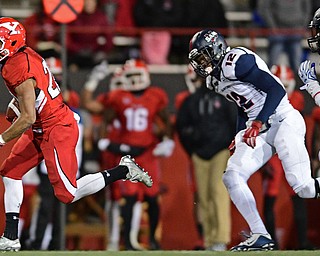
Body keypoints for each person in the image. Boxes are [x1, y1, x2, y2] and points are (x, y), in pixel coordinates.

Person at [0, 17, 152, 252]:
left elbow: (28, 116)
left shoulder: (16, 66)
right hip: (43, 124)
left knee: (67, 194)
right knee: (10, 172)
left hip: (56, 127)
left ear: (11, 42)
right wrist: (16, 104)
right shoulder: (23, 55)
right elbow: (32, 93)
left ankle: (124, 169)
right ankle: (11, 236)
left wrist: (2, 138)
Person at [188, 28, 320, 251]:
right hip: (261, 128)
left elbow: (276, 90)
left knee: (304, 188)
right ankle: (260, 234)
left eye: (204, 55)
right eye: (198, 59)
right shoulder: (214, 79)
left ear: (218, 48)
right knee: (232, 176)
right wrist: (240, 132)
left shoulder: (236, 61)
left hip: (283, 119)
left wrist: (257, 123)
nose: (202, 63)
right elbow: (243, 105)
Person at [98, 58, 174, 250]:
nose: (133, 80)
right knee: (130, 199)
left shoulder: (155, 96)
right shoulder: (118, 96)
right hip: (128, 156)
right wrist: (104, 139)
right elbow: (106, 117)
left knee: (152, 196)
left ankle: (153, 241)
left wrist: (168, 139)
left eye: (136, 75)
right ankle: (128, 242)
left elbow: (165, 120)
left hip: (147, 153)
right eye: (129, 76)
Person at [176, 68, 236, 251]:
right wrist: (192, 150)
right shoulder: (191, 100)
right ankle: (209, 239)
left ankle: (220, 239)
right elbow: (182, 127)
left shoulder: (224, 98)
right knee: (204, 196)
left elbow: (234, 122)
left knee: (218, 193)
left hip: (220, 152)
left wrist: (228, 147)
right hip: (201, 153)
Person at [262, 64, 313, 250]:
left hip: (290, 150)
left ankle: (303, 241)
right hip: (274, 153)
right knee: (270, 198)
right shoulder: (267, 99)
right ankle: (270, 243)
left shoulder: (296, 99)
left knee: (300, 194)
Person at [257, 0, 311, 71]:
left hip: (296, 32)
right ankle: (268, 80)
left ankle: (297, 81)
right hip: (277, 32)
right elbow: (265, 9)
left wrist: (302, 27)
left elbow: (307, 10)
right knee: (272, 64)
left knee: (296, 65)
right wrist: (273, 27)